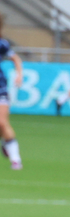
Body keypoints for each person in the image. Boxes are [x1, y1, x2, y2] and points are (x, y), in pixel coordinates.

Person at [0, 17, 23, 171]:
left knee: (2, 122)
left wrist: (19, 73)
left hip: (0, 87)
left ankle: (16, 159)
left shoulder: (2, 44)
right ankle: (7, 145)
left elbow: (15, 58)